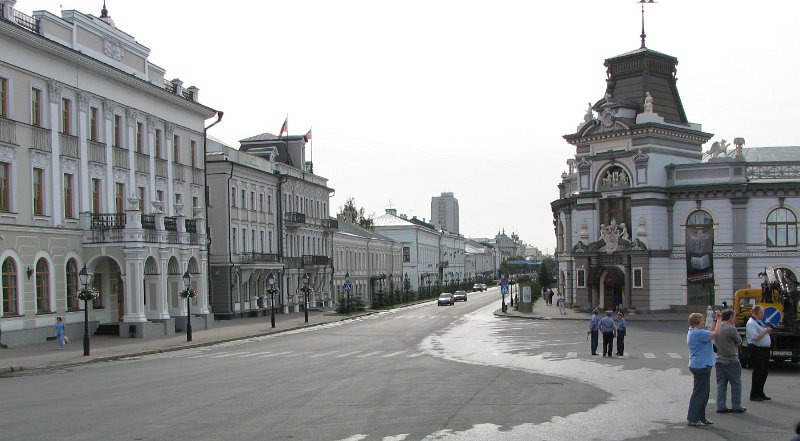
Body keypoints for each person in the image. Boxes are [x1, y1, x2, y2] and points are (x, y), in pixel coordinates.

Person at [687, 311, 722, 427]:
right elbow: (716, 333)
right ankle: (693, 418)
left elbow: (710, 332)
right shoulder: (697, 333)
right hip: (701, 366)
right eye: (702, 320)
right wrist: (720, 319)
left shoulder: (695, 331)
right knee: (699, 393)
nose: (704, 322)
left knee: (704, 393)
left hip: (701, 365)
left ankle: (700, 417)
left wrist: (716, 321)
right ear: (697, 323)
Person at [714, 309, 746, 414]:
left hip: (719, 358)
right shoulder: (730, 328)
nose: (734, 319)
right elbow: (739, 341)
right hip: (731, 359)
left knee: (721, 384)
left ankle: (720, 406)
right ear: (731, 318)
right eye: (734, 317)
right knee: (736, 384)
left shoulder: (717, 327)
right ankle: (736, 406)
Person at [746, 304, 774, 401]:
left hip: (764, 349)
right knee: (758, 371)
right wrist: (766, 331)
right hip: (757, 349)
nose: (763, 314)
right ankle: (754, 394)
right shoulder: (751, 323)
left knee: (764, 372)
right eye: (761, 312)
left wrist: (767, 331)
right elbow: (755, 337)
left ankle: (760, 392)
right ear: (755, 313)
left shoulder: (758, 322)